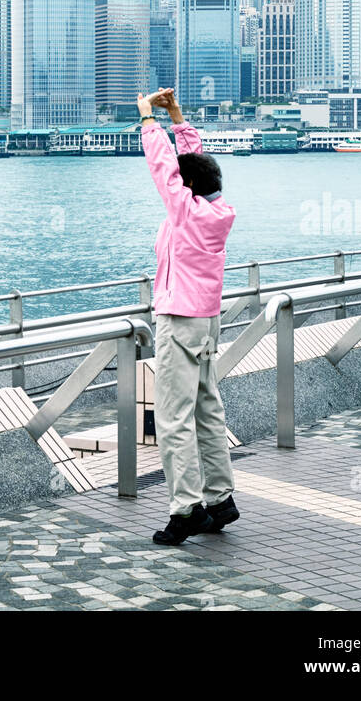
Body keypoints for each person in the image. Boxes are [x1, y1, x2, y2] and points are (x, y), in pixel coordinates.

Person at [137, 87, 241, 546]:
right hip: (206, 321)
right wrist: (177, 117)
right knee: (207, 410)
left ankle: (187, 509)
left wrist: (148, 120)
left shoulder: (185, 212)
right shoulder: (216, 209)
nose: (177, 186)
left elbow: (165, 169)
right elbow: (192, 166)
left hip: (179, 320)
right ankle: (220, 500)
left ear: (189, 189)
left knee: (174, 417)